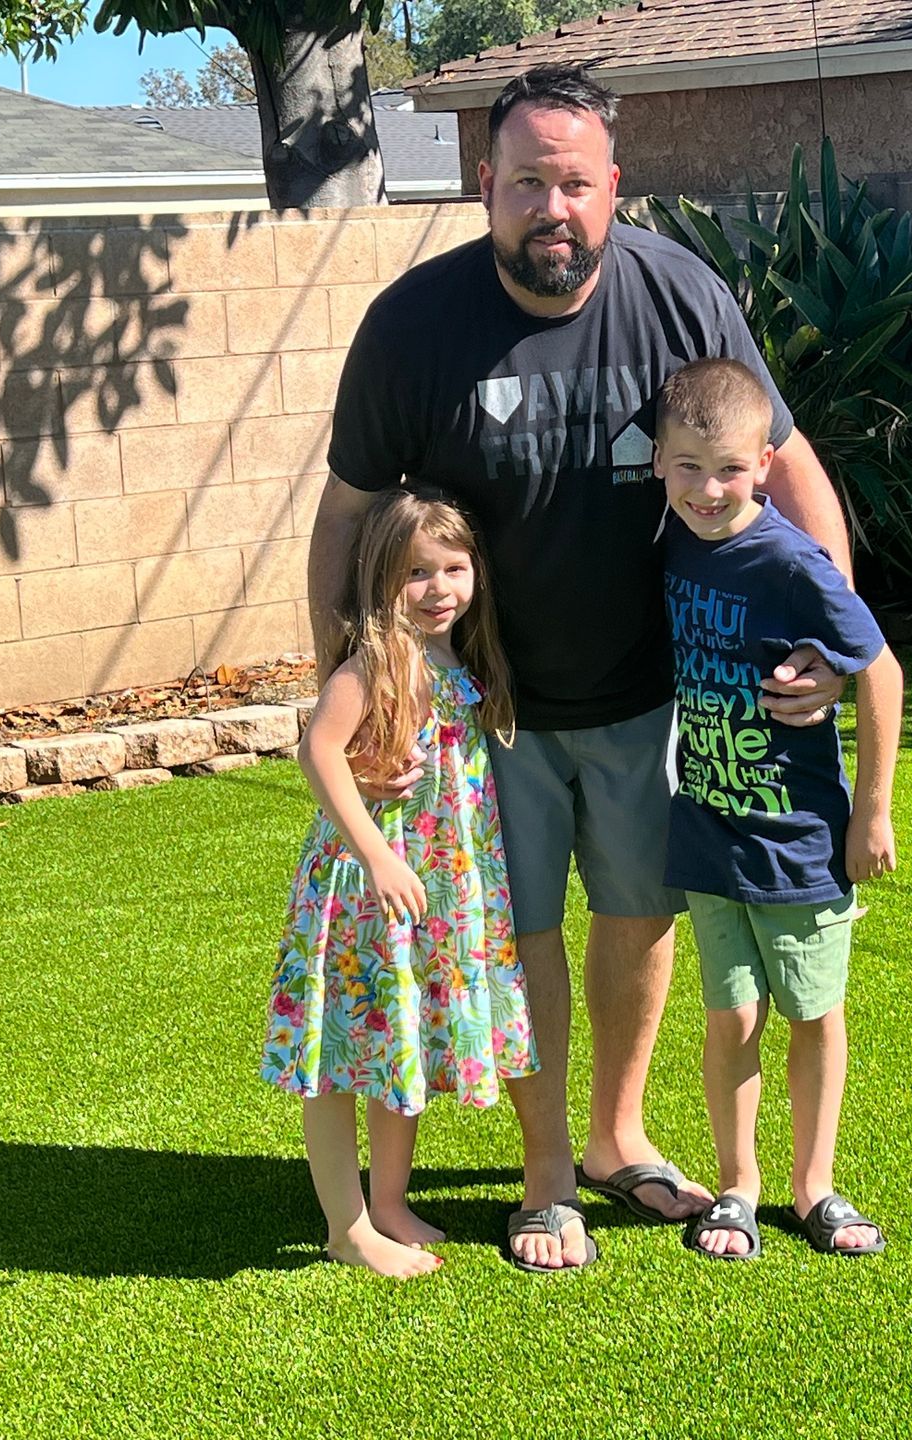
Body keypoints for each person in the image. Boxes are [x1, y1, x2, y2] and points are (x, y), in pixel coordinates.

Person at [307, 63, 852, 1272]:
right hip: (480, 714)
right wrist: (355, 698)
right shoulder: (413, 325)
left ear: (615, 189)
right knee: (516, 933)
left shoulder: (682, 294)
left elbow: (791, 466)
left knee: (640, 913)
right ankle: (544, 1170)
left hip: (654, 693)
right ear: (484, 186)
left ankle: (615, 1138)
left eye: (575, 183)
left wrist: (829, 636)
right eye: (525, 183)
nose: (550, 207)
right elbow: (347, 518)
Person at [264, 488, 579, 1279]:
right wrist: (375, 852)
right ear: (379, 579)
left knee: (395, 1042)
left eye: (453, 567)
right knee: (341, 1055)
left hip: (430, 886)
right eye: (415, 573)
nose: (439, 588)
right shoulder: (378, 662)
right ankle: (347, 1225)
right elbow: (319, 751)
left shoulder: (456, 659)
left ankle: (390, 1201)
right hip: (367, 891)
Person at [652, 359, 903, 1261]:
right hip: (708, 836)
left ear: (763, 462)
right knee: (732, 1018)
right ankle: (738, 1185)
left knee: (814, 1012)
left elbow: (880, 672)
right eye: (687, 468)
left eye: (727, 469)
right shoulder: (669, 540)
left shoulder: (792, 560)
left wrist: (870, 813)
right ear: (658, 464)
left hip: (799, 844)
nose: (707, 490)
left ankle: (815, 1186)